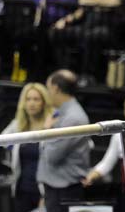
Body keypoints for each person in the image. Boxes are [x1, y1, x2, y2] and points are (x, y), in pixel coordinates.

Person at [37, 69, 90, 212]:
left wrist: (46, 132)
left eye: (48, 89)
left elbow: (52, 156)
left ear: (55, 88)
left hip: (64, 191)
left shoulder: (73, 118)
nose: (48, 94)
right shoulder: (62, 112)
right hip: (56, 188)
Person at [2, 83, 54, 212]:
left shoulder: (53, 123)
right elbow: (2, 141)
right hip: (21, 189)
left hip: (44, 190)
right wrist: (13, 148)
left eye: (36, 99)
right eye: (28, 99)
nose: (31, 103)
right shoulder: (18, 124)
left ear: (44, 102)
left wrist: (49, 130)